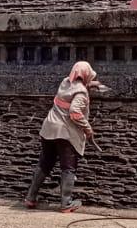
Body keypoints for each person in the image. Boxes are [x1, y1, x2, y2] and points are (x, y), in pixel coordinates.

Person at [24, 61, 105, 212]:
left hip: (49, 129)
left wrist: (91, 84)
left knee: (45, 163)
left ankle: (30, 198)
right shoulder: (81, 92)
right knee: (68, 167)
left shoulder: (65, 82)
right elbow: (75, 112)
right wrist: (88, 129)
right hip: (65, 134)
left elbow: (74, 89)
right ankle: (66, 203)